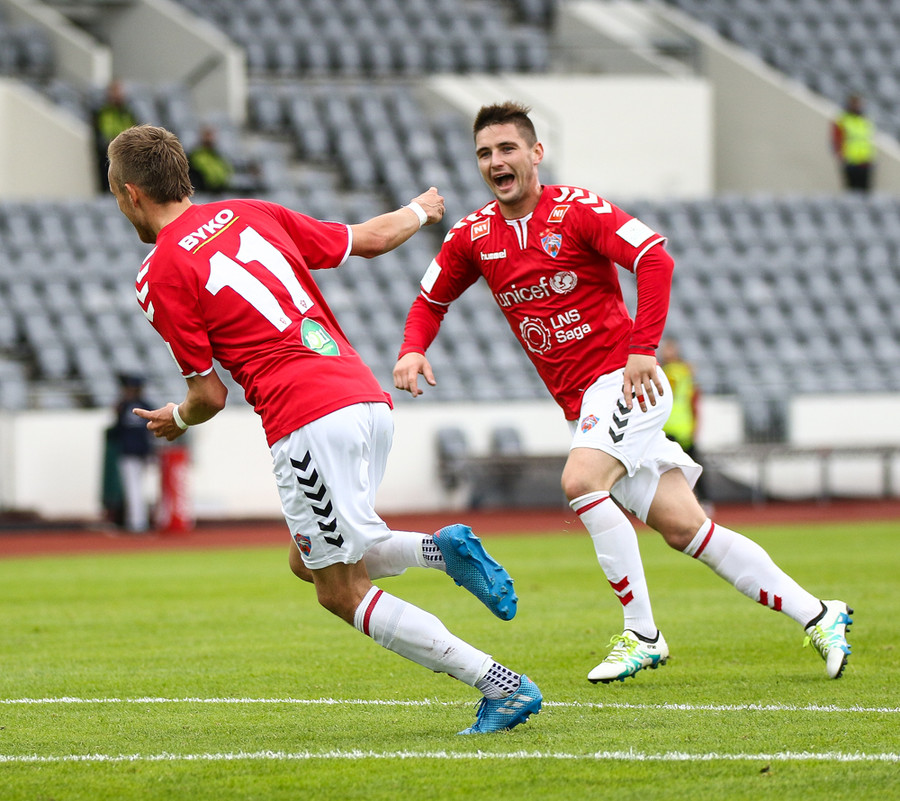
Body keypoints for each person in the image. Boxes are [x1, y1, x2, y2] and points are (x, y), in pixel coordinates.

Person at [393, 101, 853, 683]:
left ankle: (643, 635)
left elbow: (655, 259)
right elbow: (430, 300)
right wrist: (412, 348)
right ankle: (820, 613)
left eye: (507, 148)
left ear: (536, 153)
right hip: (583, 405)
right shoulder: (472, 236)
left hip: (625, 382)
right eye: (484, 153)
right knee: (688, 530)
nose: (495, 161)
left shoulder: (578, 209)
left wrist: (643, 348)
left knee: (580, 482)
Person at [107, 124, 541, 735]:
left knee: (340, 589)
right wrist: (421, 209)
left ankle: (501, 685)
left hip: (307, 419)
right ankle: (439, 551)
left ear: (131, 193)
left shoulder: (158, 272)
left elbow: (209, 395)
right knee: (306, 560)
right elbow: (369, 239)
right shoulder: (251, 211)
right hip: (364, 399)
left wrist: (177, 418)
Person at [658, 338, 709, 508]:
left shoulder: (666, 372)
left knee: (674, 468)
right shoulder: (684, 372)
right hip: (673, 427)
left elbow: (693, 400)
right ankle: (701, 501)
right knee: (690, 466)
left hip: (675, 428)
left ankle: (697, 501)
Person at [109, 373, 156, 532]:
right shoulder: (146, 405)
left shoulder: (123, 406)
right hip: (142, 452)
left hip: (130, 452)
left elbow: (116, 431)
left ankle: (136, 523)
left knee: (133, 488)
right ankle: (138, 521)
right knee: (138, 488)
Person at [92, 80, 139, 192]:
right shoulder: (104, 112)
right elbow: (104, 135)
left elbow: (133, 129)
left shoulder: (128, 112)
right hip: (109, 154)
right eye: (115, 92)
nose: (119, 95)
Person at [831, 94, 875, 192]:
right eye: (854, 103)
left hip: (864, 162)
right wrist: (841, 156)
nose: (857, 106)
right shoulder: (843, 120)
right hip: (850, 162)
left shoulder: (864, 120)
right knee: (852, 191)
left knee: (865, 192)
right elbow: (836, 140)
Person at [188, 126, 234, 194]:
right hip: (203, 192)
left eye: (211, 135)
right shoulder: (195, 155)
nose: (210, 138)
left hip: (219, 191)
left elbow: (226, 172)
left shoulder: (218, 155)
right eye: (207, 135)